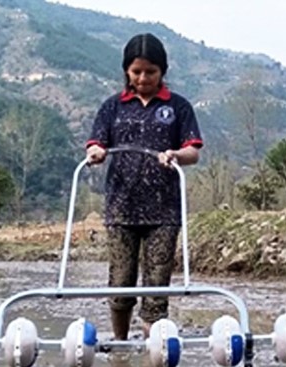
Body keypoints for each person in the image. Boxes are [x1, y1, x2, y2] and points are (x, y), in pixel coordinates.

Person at [84, 33, 204, 340]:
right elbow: (96, 143)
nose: (143, 78)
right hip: (121, 207)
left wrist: (176, 154)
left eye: (150, 71)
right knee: (121, 282)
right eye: (136, 71)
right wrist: (95, 153)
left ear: (162, 71)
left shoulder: (178, 107)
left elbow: (193, 152)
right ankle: (121, 345)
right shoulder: (113, 107)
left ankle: (155, 353)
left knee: (156, 288)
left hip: (164, 211)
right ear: (126, 70)